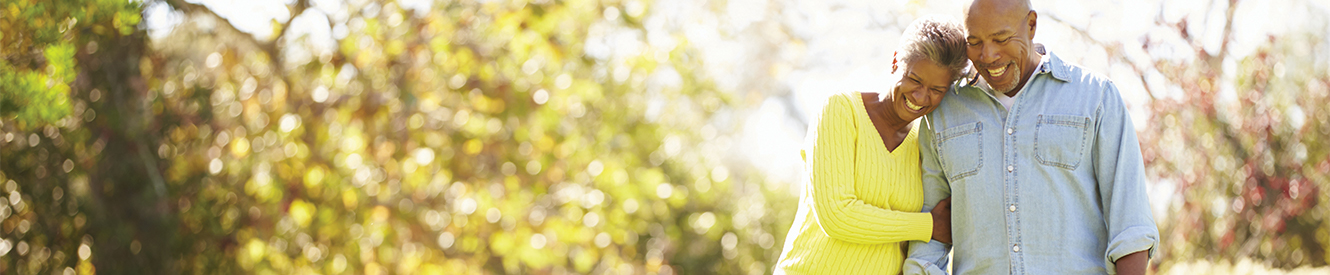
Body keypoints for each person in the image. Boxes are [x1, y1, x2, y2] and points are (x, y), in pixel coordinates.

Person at [903, 0, 1160, 274]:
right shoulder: (944, 111)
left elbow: (1131, 228)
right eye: (974, 42)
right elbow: (930, 238)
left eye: (1001, 38)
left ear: (1031, 25)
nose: (988, 55)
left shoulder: (1096, 98)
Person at [774, 16, 968, 274]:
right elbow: (837, 216)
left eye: (937, 89)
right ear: (896, 61)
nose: (921, 97)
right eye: (915, 80)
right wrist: (928, 226)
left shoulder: (926, 142)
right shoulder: (840, 111)